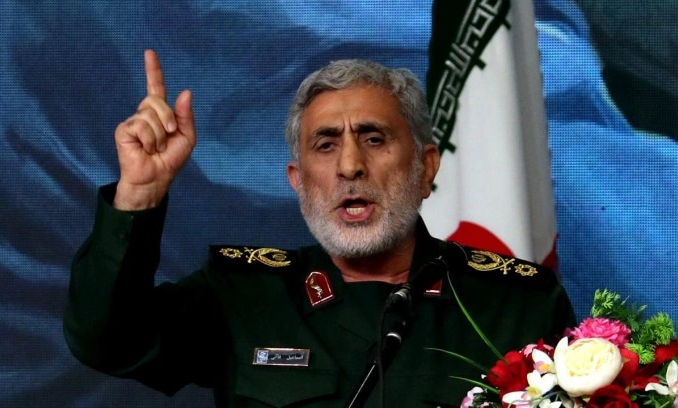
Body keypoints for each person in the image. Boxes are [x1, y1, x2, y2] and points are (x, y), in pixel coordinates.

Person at [64, 50, 576, 407]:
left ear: (426, 168)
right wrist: (139, 194)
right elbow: (107, 343)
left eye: (373, 139)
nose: (350, 166)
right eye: (325, 144)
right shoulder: (241, 293)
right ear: (298, 179)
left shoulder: (519, 303)